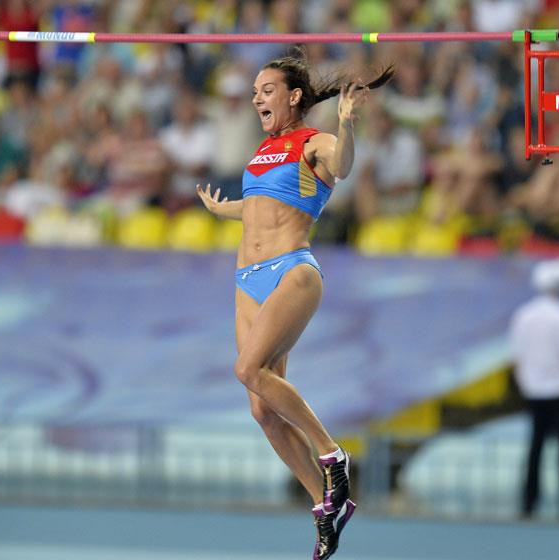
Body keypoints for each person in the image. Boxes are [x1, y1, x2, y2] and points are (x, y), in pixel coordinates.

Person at [196, 49, 392, 559]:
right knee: (262, 408)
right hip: (247, 278)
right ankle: (326, 506)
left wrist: (346, 124)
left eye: (267, 90)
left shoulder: (314, 141)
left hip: (292, 271)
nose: (257, 99)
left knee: (247, 369)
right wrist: (222, 209)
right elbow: (259, 204)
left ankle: (332, 453)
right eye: (255, 92)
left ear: (294, 96)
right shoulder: (264, 149)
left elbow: (342, 166)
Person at [509, 259, 559, 519]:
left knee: (536, 447)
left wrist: (525, 384)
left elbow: (517, 357)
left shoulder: (523, 315)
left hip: (534, 392)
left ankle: (529, 500)